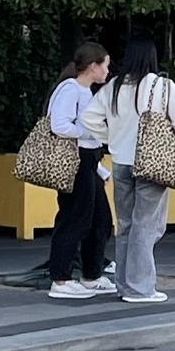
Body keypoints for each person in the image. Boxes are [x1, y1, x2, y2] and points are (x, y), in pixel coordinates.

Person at [103, 33, 175, 302]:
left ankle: (124, 284)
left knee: (126, 225)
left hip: (120, 162)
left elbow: (89, 118)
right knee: (146, 225)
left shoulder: (113, 86)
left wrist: (111, 140)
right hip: (152, 164)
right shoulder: (163, 87)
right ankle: (140, 288)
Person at [41, 40, 116, 299]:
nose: (108, 70)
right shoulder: (71, 89)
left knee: (99, 219)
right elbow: (59, 125)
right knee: (75, 217)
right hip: (78, 159)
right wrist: (90, 132)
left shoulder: (84, 90)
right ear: (93, 66)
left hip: (87, 160)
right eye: (105, 65)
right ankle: (60, 279)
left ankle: (90, 275)